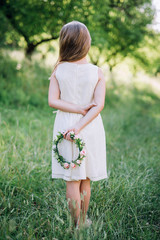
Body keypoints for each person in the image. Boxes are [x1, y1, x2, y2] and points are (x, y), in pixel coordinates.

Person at [48, 20, 108, 229]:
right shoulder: (97, 72)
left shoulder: (58, 70)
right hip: (89, 126)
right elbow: (98, 105)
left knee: (72, 179)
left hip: (65, 125)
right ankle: (83, 221)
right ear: (86, 44)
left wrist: (75, 112)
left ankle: (75, 224)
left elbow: (52, 101)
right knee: (86, 179)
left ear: (63, 43)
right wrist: (82, 116)